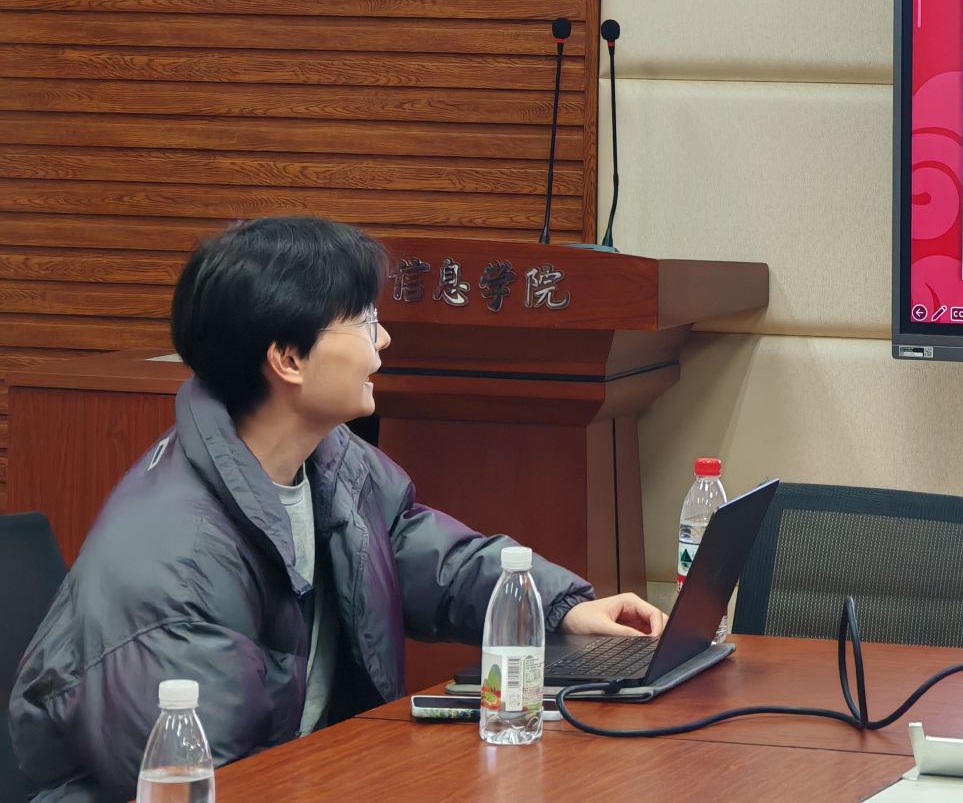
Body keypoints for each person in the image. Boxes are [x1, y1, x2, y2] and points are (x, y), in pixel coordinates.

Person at [7, 216, 668, 802]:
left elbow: (427, 554)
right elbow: (219, 784)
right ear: (288, 359)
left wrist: (562, 608)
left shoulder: (329, 460)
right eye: (364, 322)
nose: (384, 341)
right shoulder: (178, 569)